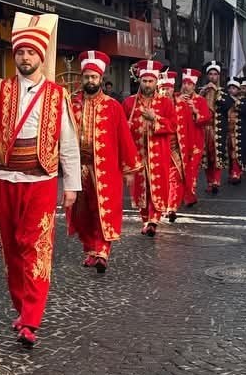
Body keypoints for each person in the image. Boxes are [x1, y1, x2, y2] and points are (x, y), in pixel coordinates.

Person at [0, 13, 81, 348]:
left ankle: (32, 318)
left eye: (31, 53)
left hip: (41, 180)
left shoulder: (56, 95)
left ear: (40, 56)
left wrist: (72, 185)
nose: (24, 57)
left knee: (36, 249)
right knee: (11, 250)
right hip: (4, 179)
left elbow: (67, 142)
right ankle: (22, 309)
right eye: (20, 52)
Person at [67, 52, 140, 272]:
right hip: (79, 167)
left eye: (94, 77)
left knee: (103, 209)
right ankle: (89, 249)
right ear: (82, 78)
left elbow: (125, 139)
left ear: (101, 79)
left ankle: (102, 251)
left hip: (106, 168)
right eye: (87, 77)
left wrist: (129, 168)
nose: (90, 81)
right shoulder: (72, 104)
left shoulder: (113, 107)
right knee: (83, 211)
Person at [125, 60, 180, 236]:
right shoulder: (129, 103)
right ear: (139, 81)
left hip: (158, 152)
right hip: (137, 153)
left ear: (156, 82)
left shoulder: (165, 103)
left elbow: (173, 125)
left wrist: (155, 118)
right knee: (140, 187)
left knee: (157, 185)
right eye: (144, 81)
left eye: (151, 81)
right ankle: (145, 219)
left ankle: (154, 219)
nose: (147, 84)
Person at [175, 68, 212, 207]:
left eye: (189, 83)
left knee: (191, 170)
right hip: (178, 140)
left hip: (195, 141)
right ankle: (176, 196)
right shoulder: (175, 97)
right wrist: (178, 102)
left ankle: (189, 195)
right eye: (184, 83)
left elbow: (206, 119)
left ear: (194, 86)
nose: (186, 86)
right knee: (178, 170)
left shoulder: (200, 100)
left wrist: (195, 111)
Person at [158, 71, 186, 222]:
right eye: (162, 88)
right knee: (160, 179)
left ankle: (172, 206)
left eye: (168, 88)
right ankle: (162, 205)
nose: (165, 91)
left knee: (175, 177)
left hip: (176, 148)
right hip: (158, 148)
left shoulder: (181, 105)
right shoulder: (153, 105)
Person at [201, 62, 227, 194]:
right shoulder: (202, 91)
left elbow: (227, 105)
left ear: (219, 76)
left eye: (215, 74)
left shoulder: (223, 92)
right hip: (204, 129)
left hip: (217, 129)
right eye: (210, 74)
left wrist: (216, 91)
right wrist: (201, 94)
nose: (212, 77)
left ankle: (216, 181)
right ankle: (210, 182)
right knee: (206, 158)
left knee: (217, 156)